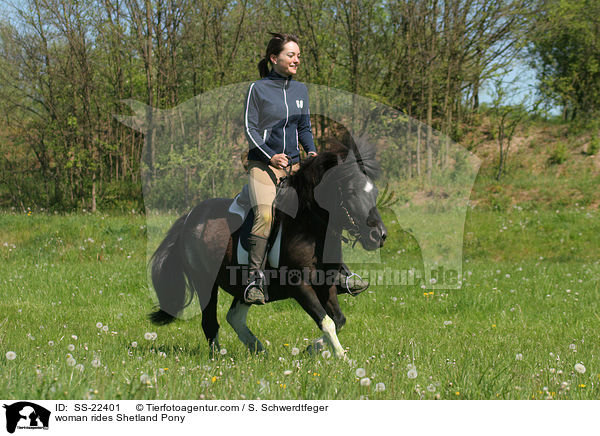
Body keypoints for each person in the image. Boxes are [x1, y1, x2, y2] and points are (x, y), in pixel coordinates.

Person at [243, 32, 367, 305]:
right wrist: (270, 156)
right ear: (274, 58)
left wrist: (310, 152)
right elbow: (250, 129)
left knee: (326, 206)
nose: (297, 60)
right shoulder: (258, 89)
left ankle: (340, 273)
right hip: (263, 165)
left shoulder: (300, 90)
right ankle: (254, 280)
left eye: (298, 55)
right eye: (291, 55)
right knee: (265, 213)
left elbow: (303, 128)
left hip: (295, 165)